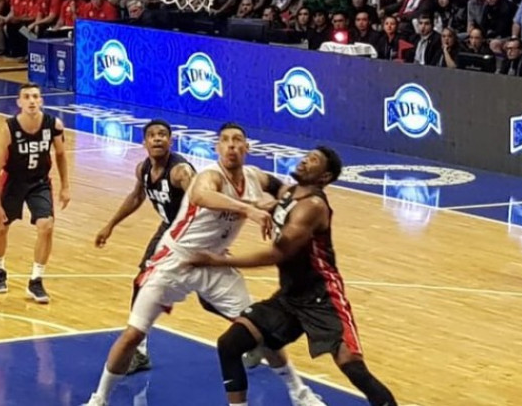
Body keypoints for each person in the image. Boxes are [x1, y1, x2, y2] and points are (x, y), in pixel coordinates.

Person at [83, 123, 323, 406]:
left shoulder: (255, 176)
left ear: (248, 148)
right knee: (134, 333)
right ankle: (99, 399)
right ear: (216, 148)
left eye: (238, 140)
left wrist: (289, 207)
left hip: (215, 262)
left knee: (258, 327)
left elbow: (286, 191)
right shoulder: (208, 176)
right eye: (225, 140)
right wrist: (250, 208)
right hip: (176, 258)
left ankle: (300, 394)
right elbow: (200, 196)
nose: (232, 145)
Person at [193, 147, 400, 406]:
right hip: (289, 297)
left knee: (353, 367)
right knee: (229, 345)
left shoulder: (312, 206)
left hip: (322, 298)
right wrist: (252, 187)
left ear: (324, 177)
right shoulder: (290, 193)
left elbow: (278, 253)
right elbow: (273, 189)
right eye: (306, 156)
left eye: (313, 160)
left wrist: (219, 261)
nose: (304, 161)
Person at [93, 119, 194, 374]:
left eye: (163, 135)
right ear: (144, 142)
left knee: (212, 293)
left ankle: (255, 335)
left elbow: (201, 201)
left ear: (171, 141)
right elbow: (137, 196)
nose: (158, 138)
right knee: (141, 281)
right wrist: (110, 225)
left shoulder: (180, 172)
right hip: (168, 229)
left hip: (191, 233)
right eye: (152, 135)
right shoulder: (144, 169)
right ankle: (139, 351)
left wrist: (212, 237)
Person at [0, 83, 71, 303]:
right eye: (27, 97)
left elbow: (61, 155)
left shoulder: (54, 124)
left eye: (35, 96)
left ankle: (36, 280)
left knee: (47, 226)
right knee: (1, 227)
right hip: (13, 181)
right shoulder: (9, 128)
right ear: (19, 102)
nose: (32, 101)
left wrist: (65, 186)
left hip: (39, 182)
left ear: (41, 100)